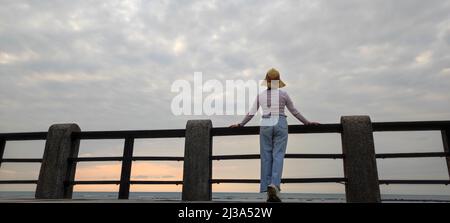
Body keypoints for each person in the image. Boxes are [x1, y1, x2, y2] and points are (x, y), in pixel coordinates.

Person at [230, 68, 319, 202]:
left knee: (266, 156)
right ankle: (274, 185)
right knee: (278, 155)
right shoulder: (284, 94)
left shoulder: (260, 95)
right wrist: (307, 122)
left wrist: (240, 125)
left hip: (266, 123)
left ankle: (267, 186)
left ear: (267, 81)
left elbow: (251, 113)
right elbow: (294, 111)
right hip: (280, 122)